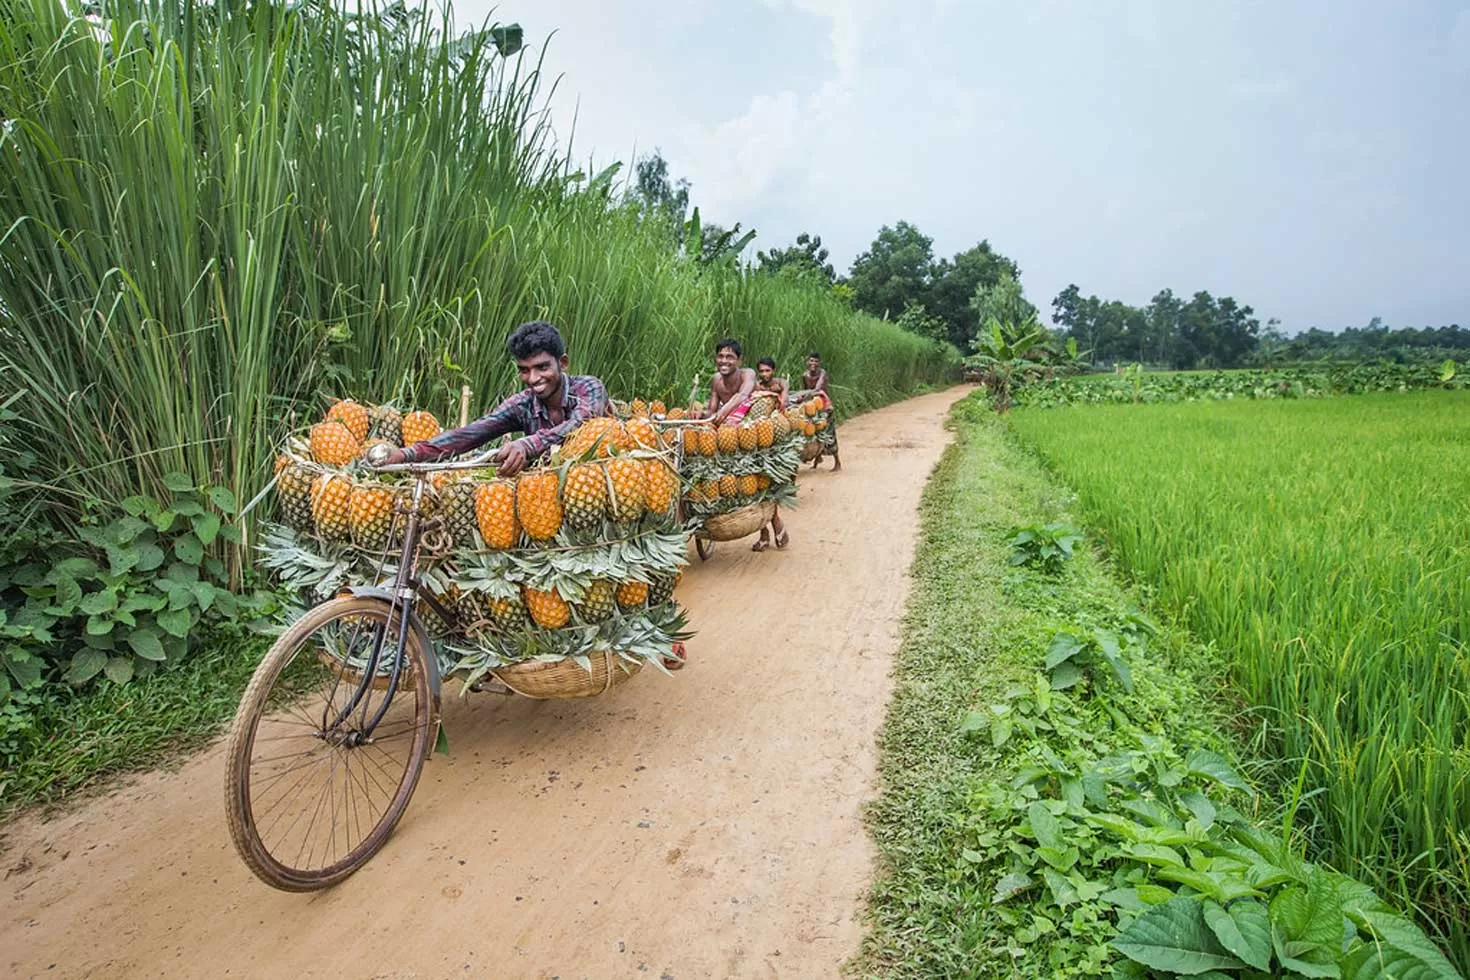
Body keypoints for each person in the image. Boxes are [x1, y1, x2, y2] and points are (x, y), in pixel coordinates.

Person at [379, 320, 608, 476]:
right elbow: (469, 435)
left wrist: (527, 444)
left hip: (599, 483)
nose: (534, 378)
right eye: (524, 370)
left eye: (542, 367)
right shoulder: (522, 404)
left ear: (563, 363)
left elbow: (581, 425)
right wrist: (405, 454)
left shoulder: (589, 388)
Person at [751, 357, 790, 552]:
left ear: (773, 370)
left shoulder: (781, 383)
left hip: (774, 440)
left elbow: (785, 398)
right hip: (758, 439)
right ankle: (765, 532)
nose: (765, 374)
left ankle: (776, 525)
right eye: (762, 371)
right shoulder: (755, 387)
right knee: (757, 487)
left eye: (768, 370)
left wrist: (777, 397)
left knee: (771, 486)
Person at [801, 351, 841, 471]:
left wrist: (807, 395)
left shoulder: (822, 373)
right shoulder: (805, 375)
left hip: (824, 406)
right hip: (812, 407)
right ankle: (817, 458)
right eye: (811, 360)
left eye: (816, 361)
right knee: (814, 432)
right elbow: (804, 391)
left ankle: (837, 461)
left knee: (828, 434)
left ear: (819, 363)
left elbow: (818, 388)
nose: (813, 363)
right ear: (807, 362)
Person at [705, 338, 758, 427]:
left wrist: (725, 410)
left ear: (739, 360)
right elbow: (711, 412)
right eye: (720, 356)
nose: (724, 361)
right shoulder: (717, 379)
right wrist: (701, 415)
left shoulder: (747, 374)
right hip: (729, 423)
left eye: (729, 357)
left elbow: (742, 395)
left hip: (751, 421)